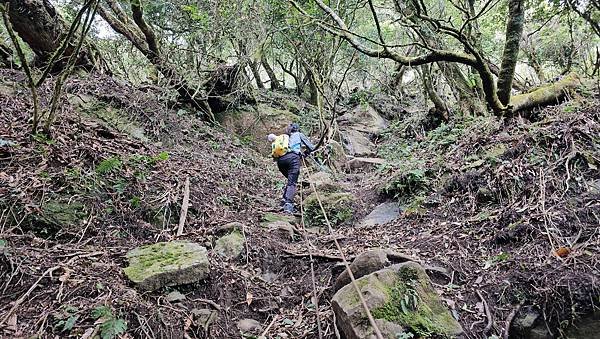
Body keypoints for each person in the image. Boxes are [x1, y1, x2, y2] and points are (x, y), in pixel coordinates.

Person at [268, 123, 315, 213]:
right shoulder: (299, 135)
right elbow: (311, 147)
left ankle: (283, 201)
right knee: (292, 182)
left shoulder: (284, 137)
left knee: (290, 181)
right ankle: (288, 206)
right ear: (297, 129)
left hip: (280, 161)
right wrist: (306, 153)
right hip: (293, 159)